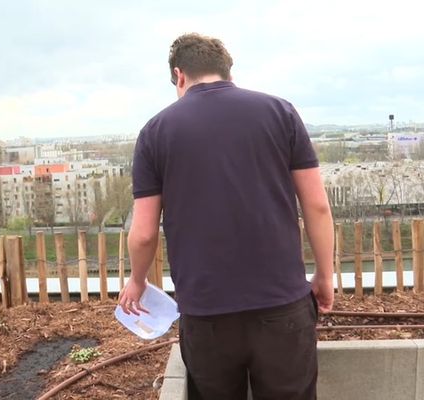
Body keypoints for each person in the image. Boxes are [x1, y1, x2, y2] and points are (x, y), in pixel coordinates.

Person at [118, 33, 334, 400]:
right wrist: (324, 275)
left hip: (207, 315)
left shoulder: (155, 132)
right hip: (282, 306)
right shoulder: (280, 113)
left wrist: (137, 280)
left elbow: (142, 233)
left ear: (179, 76)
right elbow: (317, 206)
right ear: (228, 73)